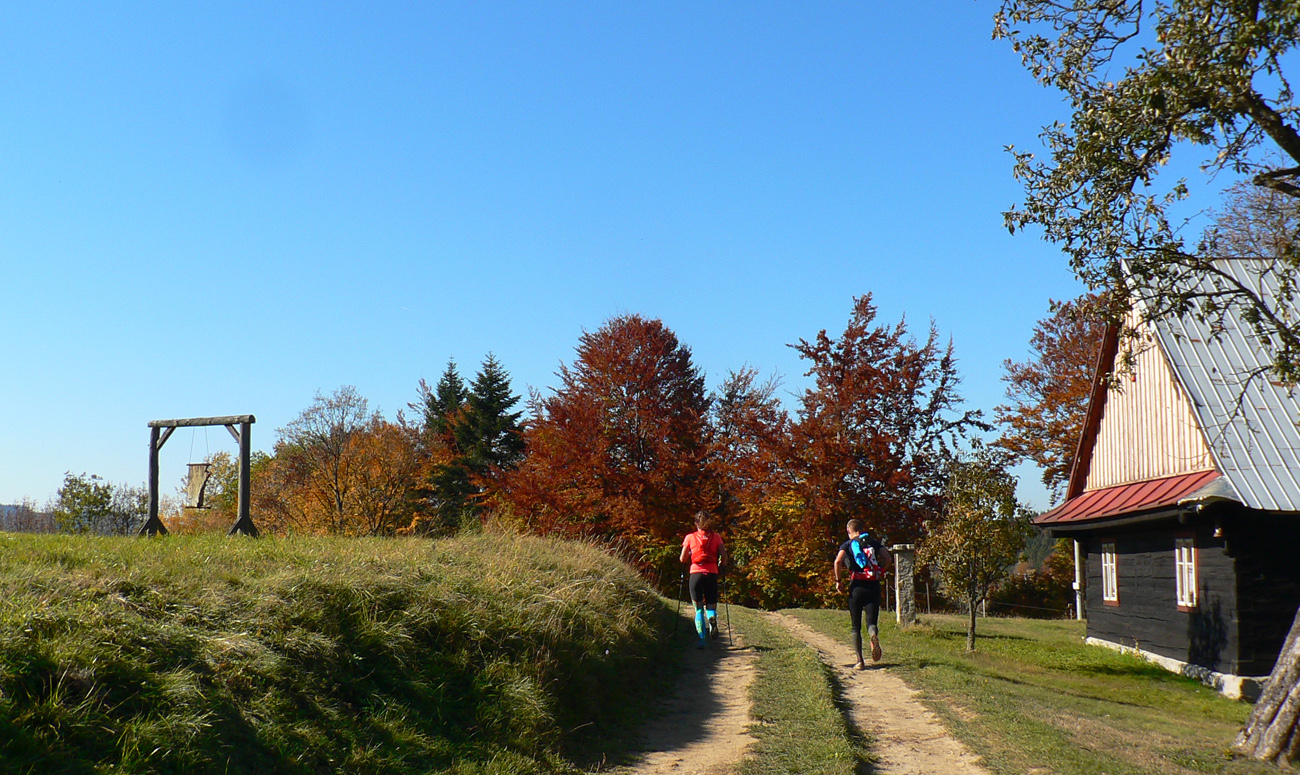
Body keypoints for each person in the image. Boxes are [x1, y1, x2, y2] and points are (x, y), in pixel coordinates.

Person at [834, 518, 891, 669]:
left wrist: (839, 581)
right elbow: (887, 558)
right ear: (861, 529)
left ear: (849, 531)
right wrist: (881, 570)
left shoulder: (848, 544)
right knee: (871, 622)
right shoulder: (873, 542)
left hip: (857, 586)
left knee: (855, 626)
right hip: (873, 585)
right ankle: (873, 635)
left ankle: (860, 661)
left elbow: (838, 561)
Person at [680, 511, 728, 649]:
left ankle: (702, 639)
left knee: (699, 609)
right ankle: (712, 619)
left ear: (696, 523)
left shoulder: (690, 537)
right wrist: (722, 564)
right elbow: (724, 556)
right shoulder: (716, 537)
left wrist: (690, 554)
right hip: (712, 573)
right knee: (711, 605)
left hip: (696, 573)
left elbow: (682, 559)